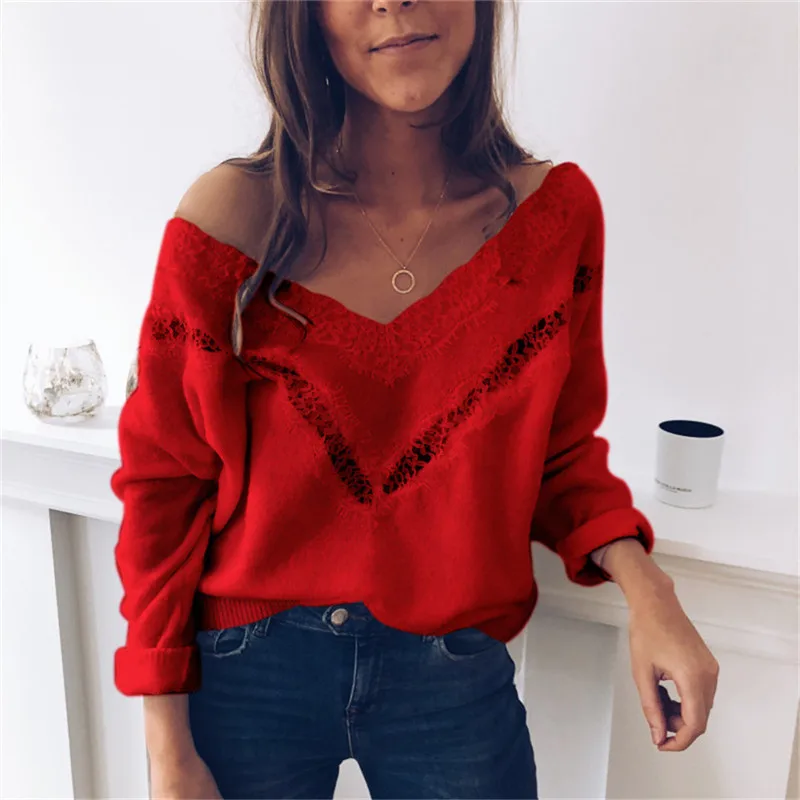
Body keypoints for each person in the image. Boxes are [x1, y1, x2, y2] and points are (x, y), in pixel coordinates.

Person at [110, 1, 720, 798]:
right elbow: (164, 485)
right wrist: (166, 750)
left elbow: (559, 455)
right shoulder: (229, 221)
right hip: (248, 670)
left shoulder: (552, 220)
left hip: (453, 672)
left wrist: (651, 592)